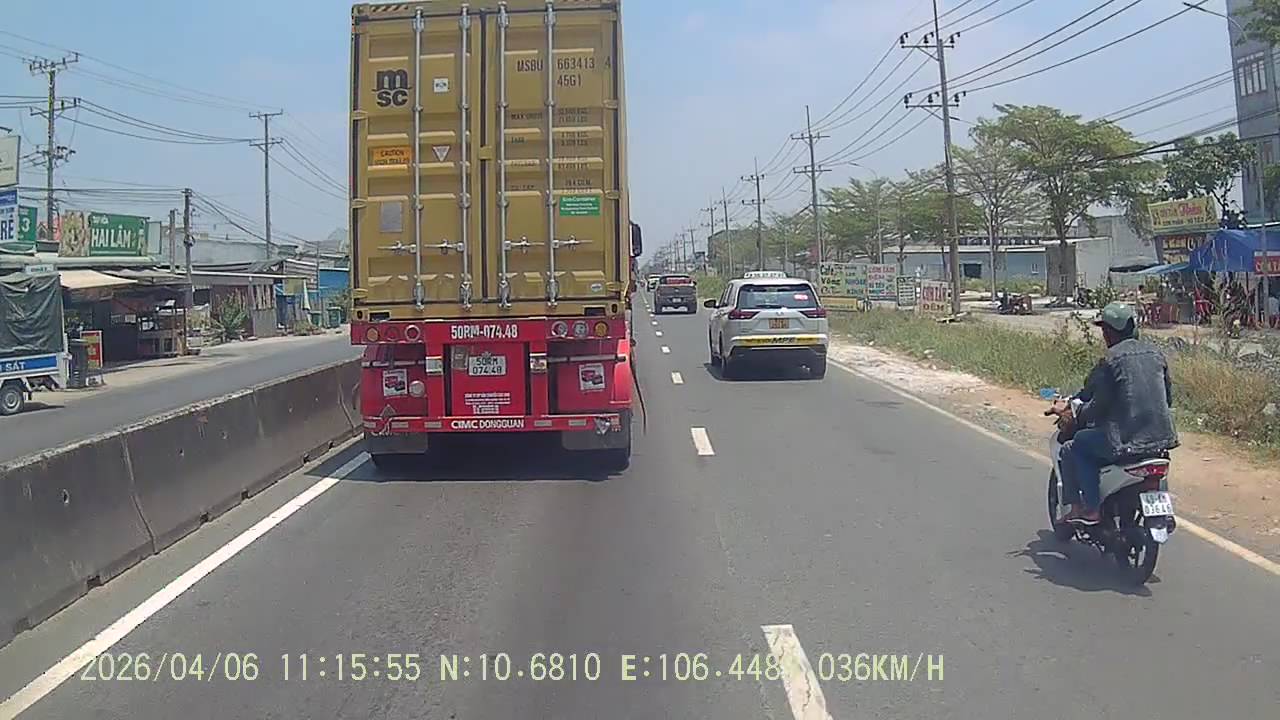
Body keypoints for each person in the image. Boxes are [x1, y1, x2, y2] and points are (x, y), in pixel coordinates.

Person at [1053, 303, 1179, 524]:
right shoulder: (1156, 354)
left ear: (1109, 333)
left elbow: (1096, 406)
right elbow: (1168, 398)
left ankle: (1090, 509)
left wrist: (1077, 414)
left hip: (1125, 442)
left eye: (1105, 330)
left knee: (1076, 445)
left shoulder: (1110, 360)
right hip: (1161, 440)